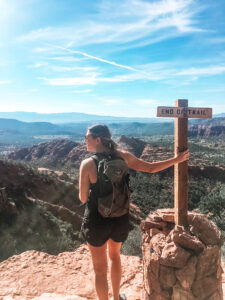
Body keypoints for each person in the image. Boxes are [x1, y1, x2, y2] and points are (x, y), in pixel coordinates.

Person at [79, 124, 189, 300]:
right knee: (115, 257)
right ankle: (117, 297)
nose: (85, 141)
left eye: (87, 138)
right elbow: (152, 168)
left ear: (97, 139)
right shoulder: (124, 157)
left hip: (96, 221)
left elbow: (83, 198)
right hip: (120, 218)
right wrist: (177, 159)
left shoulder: (87, 164)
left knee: (100, 270)